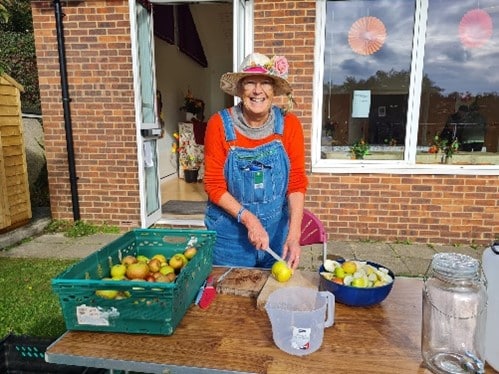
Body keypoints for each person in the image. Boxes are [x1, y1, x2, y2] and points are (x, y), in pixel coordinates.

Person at [203, 53, 308, 270]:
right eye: (250, 82)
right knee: (230, 298)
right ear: (240, 89)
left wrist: (294, 235)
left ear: (273, 90)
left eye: (266, 83)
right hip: (230, 236)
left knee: (273, 296)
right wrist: (249, 219)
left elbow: (296, 182)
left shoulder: (290, 124)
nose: (257, 91)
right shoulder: (219, 125)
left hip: (276, 233)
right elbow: (213, 185)